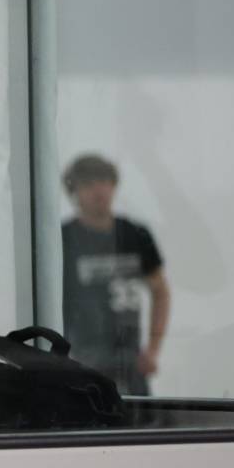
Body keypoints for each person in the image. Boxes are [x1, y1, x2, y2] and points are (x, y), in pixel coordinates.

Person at [59, 154, 169, 396]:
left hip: (130, 360)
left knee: (137, 416)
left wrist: (153, 350)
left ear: (114, 185)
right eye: (88, 184)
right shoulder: (63, 239)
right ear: (75, 191)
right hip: (81, 358)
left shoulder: (135, 234)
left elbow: (160, 292)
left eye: (104, 181)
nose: (98, 190)